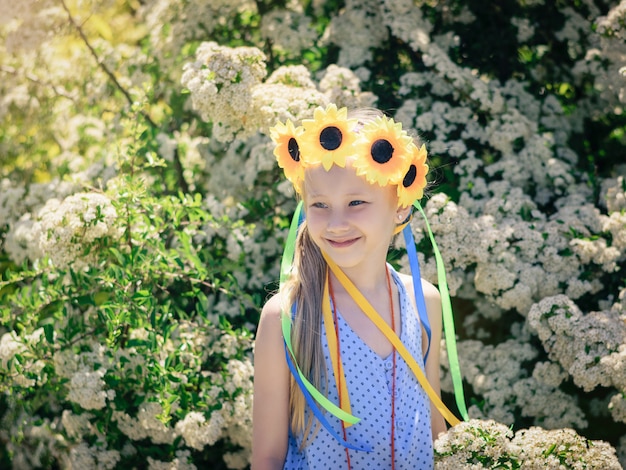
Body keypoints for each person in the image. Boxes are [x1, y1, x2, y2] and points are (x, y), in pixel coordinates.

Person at [252, 104, 455, 470]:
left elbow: (434, 429)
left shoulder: (423, 302)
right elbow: (267, 458)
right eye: (320, 205)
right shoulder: (287, 317)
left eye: (356, 202)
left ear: (401, 206)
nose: (337, 223)